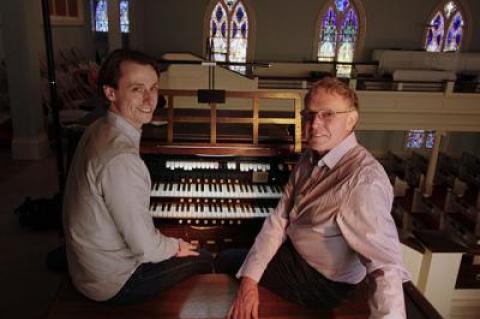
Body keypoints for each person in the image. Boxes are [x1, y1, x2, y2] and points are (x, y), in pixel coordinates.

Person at [217, 77, 410, 318]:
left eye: (327, 114)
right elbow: (279, 219)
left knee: (225, 259)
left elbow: (386, 266)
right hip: (295, 252)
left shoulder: (363, 182)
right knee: (241, 261)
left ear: (351, 120)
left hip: (320, 282)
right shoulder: (309, 157)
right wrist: (249, 282)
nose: (314, 124)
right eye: (308, 115)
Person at [62, 49, 213, 305]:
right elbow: (146, 248)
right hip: (113, 282)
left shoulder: (97, 126)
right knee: (205, 257)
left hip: (85, 261)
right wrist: (176, 246)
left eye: (153, 88)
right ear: (111, 93)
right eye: (136, 89)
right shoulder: (121, 160)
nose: (149, 99)